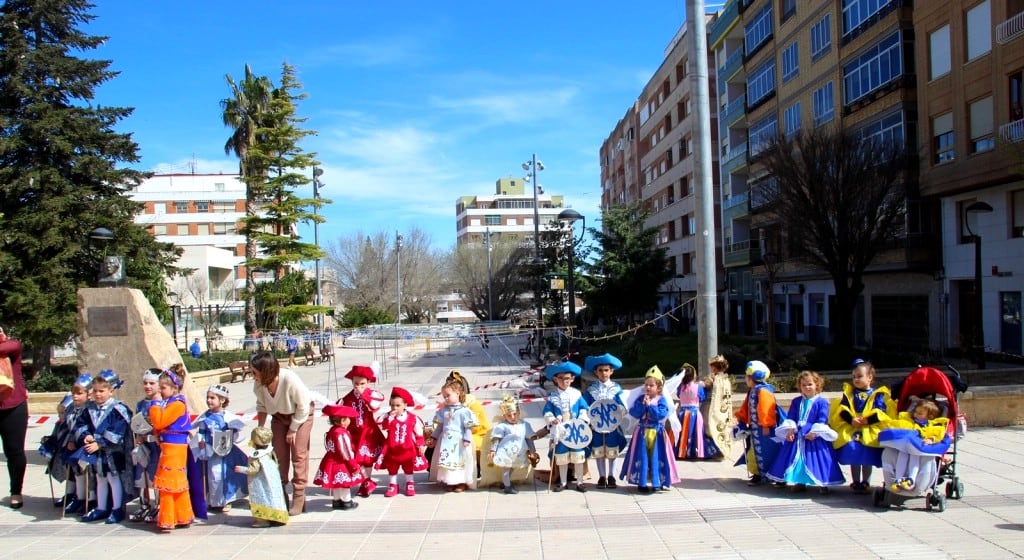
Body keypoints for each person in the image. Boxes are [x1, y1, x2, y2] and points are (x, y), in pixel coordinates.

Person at [251, 350, 314, 515]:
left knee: (298, 454)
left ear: (266, 371)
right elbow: (262, 405)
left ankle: (299, 495)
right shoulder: (259, 385)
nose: (252, 376)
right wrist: (260, 428)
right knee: (279, 455)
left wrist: (293, 429)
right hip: (279, 416)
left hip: (301, 415)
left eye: (255, 372)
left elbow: (303, 406)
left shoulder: (289, 379)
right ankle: (281, 494)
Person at [766, 371, 845, 493]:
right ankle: (800, 482)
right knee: (797, 459)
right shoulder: (796, 401)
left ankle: (822, 483)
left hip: (814, 436)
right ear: (799, 386)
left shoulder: (821, 402)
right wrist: (791, 429)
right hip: (798, 434)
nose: (807, 387)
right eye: (803, 385)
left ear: (817, 385)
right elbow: (791, 416)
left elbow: (822, 419)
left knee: (817, 459)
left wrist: (815, 432)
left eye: (810, 384)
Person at [72, 370, 134, 523]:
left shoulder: (118, 409)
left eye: (102, 391)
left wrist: (99, 443)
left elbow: (117, 432)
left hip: (112, 452)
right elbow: (80, 424)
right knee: (100, 479)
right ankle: (101, 507)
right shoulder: (89, 408)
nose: (98, 394)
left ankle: (117, 509)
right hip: (96, 453)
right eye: (95, 391)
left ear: (111, 391)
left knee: (113, 478)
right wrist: (85, 435)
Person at [149, 365, 205, 530]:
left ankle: (168, 518)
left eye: (163, 388)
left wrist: (155, 402)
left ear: (174, 388)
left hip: (174, 447)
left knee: (168, 482)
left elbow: (159, 421)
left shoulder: (177, 404)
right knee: (176, 482)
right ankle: (182, 516)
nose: (160, 391)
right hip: (171, 445)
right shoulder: (172, 402)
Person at [828, 358, 895, 494]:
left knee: (867, 453)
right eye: (854, 377)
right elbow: (842, 409)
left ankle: (866, 481)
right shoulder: (849, 394)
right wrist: (851, 419)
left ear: (870, 377)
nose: (856, 379)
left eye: (859, 376)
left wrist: (867, 420)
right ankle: (855, 481)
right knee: (853, 451)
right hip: (852, 427)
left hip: (869, 429)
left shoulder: (878, 395)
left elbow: (881, 413)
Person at [621, 366, 679, 493]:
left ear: (658, 387)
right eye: (646, 385)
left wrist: (650, 407)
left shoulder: (661, 400)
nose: (647, 387)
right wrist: (642, 406)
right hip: (642, 432)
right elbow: (634, 413)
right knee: (643, 456)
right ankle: (642, 482)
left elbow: (661, 415)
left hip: (656, 432)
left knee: (656, 456)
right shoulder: (640, 399)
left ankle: (657, 482)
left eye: (651, 385)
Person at [192, 385, 248, 512]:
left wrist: (230, 437)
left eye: (212, 398)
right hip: (209, 451)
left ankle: (225, 500)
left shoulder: (227, 417)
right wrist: (201, 442)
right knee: (211, 476)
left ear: (222, 400)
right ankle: (212, 500)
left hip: (225, 454)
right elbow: (201, 431)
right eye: (208, 397)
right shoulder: (204, 417)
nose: (209, 400)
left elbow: (234, 433)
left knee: (224, 476)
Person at [41, 375, 91, 513]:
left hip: (83, 447)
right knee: (71, 471)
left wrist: (76, 440)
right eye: (74, 393)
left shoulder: (89, 409)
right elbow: (65, 424)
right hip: (69, 445)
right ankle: (71, 495)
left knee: (82, 472)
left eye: (79, 393)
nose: (75, 397)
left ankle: (84, 499)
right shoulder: (71, 408)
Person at [337, 364, 385, 497]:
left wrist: (365, 395)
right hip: (353, 433)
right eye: (356, 383)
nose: (359, 386)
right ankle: (364, 481)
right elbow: (340, 410)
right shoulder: (347, 398)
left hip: (368, 432)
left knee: (367, 459)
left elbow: (375, 405)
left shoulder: (372, 395)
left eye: (363, 383)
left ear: (368, 382)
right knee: (355, 458)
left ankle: (366, 481)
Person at [881, 398, 950, 492]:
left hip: (919, 447)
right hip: (906, 445)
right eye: (916, 412)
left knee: (915, 457)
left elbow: (938, 434)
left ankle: (911, 479)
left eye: (920, 413)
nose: (916, 414)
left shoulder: (932, 425)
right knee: (902, 455)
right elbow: (897, 425)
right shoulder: (908, 421)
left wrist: (931, 439)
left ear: (929, 416)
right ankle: (898, 479)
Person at [734, 360, 784, 486]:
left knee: (770, 452)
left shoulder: (763, 391)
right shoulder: (753, 391)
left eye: (746, 376)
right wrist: (741, 419)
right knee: (754, 453)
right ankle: (757, 474)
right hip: (755, 430)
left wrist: (766, 424)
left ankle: (777, 476)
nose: (745, 379)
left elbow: (766, 409)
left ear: (751, 378)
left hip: (764, 429)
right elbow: (746, 408)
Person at [542, 361, 590, 493]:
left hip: (575, 430)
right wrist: (552, 419)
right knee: (561, 456)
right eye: (561, 379)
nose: (565, 381)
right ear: (556, 380)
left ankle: (580, 482)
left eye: (567, 378)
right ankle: (563, 482)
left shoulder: (577, 394)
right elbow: (547, 412)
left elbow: (583, 408)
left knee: (578, 456)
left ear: (572, 379)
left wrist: (581, 419)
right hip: (561, 430)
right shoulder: (552, 397)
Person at [582, 353, 627, 489]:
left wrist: (620, 411)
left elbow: (623, 405)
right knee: (599, 451)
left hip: (612, 426)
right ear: (596, 372)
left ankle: (612, 476)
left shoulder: (617, 389)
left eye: (606, 370)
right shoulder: (591, 390)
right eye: (600, 370)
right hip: (596, 426)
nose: (603, 373)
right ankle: (602, 476)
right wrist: (586, 418)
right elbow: (585, 406)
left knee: (612, 450)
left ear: (611, 371)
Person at [377, 387, 428, 497]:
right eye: (392, 405)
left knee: (408, 466)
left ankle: (410, 483)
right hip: (392, 448)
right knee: (392, 467)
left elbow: (418, 432)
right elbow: (384, 426)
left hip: (407, 448)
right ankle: (393, 484)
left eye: (398, 405)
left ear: (405, 405)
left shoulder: (412, 418)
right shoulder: (388, 417)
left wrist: (420, 444)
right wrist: (389, 417)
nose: (394, 408)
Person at [429, 377, 477, 492]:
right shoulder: (443, 411)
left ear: (458, 393)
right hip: (446, 442)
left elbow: (468, 426)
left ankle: (461, 482)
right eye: (444, 396)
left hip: (459, 441)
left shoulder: (464, 411)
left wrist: (467, 438)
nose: (446, 398)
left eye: (448, 395)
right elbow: (440, 426)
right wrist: (434, 437)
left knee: (460, 461)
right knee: (448, 461)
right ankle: (449, 481)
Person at [312, 404, 363, 510]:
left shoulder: (332, 431)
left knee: (336, 483)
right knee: (344, 483)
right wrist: (353, 465)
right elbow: (346, 451)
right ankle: (346, 501)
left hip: (330, 460)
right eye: (348, 418)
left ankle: (336, 500)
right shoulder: (341, 434)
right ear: (343, 421)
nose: (350, 420)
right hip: (340, 462)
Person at [235, 427, 289, 527]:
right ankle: (277, 518)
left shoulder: (257, 455)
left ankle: (262, 520)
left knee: (261, 499)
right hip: (272, 482)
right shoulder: (270, 451)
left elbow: (253, 469)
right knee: (273, 498)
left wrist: (242, 469)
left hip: (260, 483)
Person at [128, 368, 163, 523]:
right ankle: (144, 505)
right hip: (144, 448)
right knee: (142, 476)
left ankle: (159, 506)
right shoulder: (141, 404)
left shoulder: (163, 403)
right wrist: (138, 438)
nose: (148, 386)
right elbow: (137, 424)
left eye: (152, 383)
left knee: (156, 477)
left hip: (157, 447)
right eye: (145, 383)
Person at [0, 326, 28, 509]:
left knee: (15, 452)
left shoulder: (12, 346)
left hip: (13, 406)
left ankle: (16, 491)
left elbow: (6, 348)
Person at [487, 395, 538, 494]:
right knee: (506, 469)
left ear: (519, 413)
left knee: (512, 468)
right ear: (504, 416)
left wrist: (533, 451)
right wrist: (493, 450)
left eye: (515, 414)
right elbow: (496, 439)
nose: (513, 417)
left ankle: (506, 482)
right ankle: (507, 486)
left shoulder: (524, 425)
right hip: (506, 452)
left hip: (519, 452)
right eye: (509, 415)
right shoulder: (502, 426)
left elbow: (529, 439)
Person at [445, 371, 490, 479]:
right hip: (454, 433)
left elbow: (475, 426)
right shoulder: (447, 405)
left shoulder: (473, 404)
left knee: (466, 443)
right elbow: (440, 420)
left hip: (477, 434)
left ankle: (472, 470)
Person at [674, 363, 721, 461]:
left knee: (684, 433)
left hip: (682, 412)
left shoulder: (680, 388)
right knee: (696, 433)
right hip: (694, 413)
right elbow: (702, 397)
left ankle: (682, 451)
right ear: (693, 376)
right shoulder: (698, 387)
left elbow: (679, 395)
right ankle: (697, 451)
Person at [701, 354, 733, 459]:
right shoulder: (725, 379)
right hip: (723, 408)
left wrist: (700, 384)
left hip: (711, 406)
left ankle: (713, 451)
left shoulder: (714, 378)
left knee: (710, 426)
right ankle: (721, 449)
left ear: (715, 367)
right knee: (720, 427)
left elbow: (706, 385)